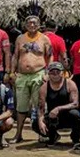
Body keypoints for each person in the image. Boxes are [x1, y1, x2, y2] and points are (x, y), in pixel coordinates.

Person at [9, 15, 52, 143]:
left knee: (39, 104)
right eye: (29, 23)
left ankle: (42, 132)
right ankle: (18, 134)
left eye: (34, 23)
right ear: (25, 25)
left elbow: (50, 56)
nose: (32, 25)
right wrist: (12, 72)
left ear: (39, 25)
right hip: (22, 75)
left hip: (38, 73)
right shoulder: (20, 38)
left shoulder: (44, 39)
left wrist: (47, 73)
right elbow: (15, 56)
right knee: (21, 106)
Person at [34, 61, 80, 145]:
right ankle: (53, 136)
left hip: (68, 115)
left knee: (76, 114)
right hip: (53, 117)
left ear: (62, 73)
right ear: (48, 74)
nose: (55, 74)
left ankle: (75, 137)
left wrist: (58, 108)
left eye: (57, 72)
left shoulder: (70, 84)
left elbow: (75, 103)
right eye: (52, 72)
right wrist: (40, 121)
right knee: (36, 123)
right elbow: (41, 107)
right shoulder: (44, 88)